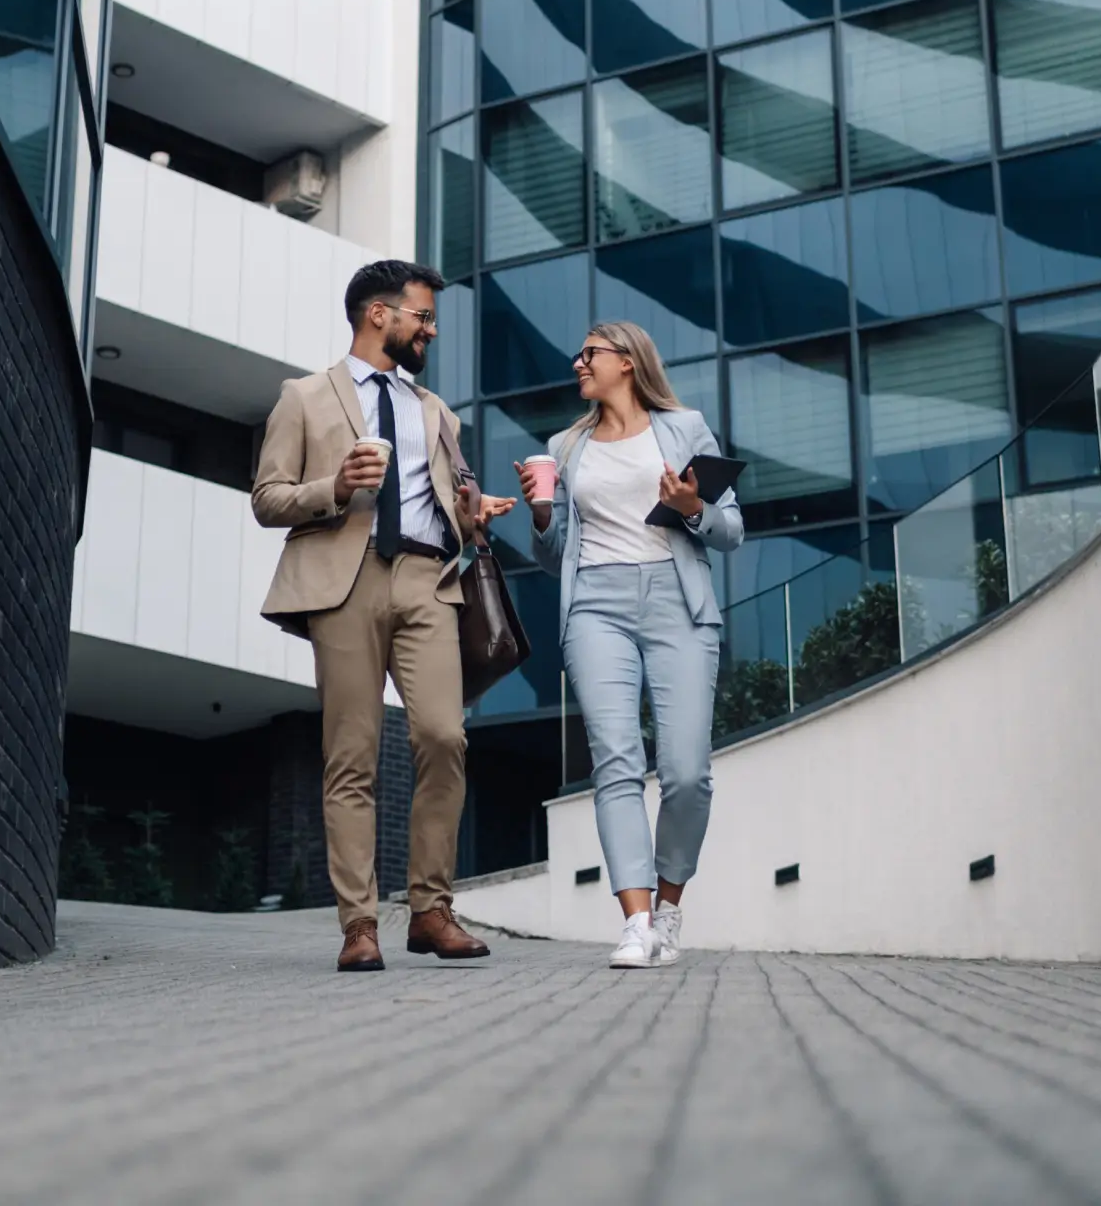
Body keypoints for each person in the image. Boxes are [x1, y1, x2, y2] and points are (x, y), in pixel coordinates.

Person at [253, 260, 515, 972]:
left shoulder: (437, 412)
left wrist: (474, 513)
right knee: (352, 754)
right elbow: (267, 498)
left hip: (430, 580)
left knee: (443, 736)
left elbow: (453, 495)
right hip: (346, 581)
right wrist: (332, 486)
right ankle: (359, 925)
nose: (430, 330)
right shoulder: (304, 398)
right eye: (421, 317)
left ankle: (431, 910)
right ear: (378, 315)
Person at [517, 322, 742, 969]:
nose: (577, 362)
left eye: (589, 353)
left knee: (685, 773)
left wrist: (693, 507)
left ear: (627, 361)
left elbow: (730, 531)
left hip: (677, 603)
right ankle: (636, 923)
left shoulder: (685, 429)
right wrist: (539, 516)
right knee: (615, 762)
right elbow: (556, 550)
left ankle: (669, 909)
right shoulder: (566, 445)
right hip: (595, 606)